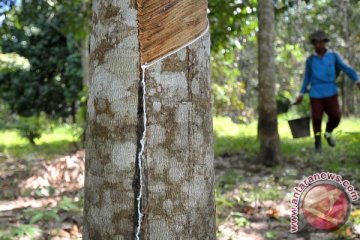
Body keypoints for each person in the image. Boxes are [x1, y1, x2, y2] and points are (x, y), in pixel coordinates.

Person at [295, 30, 360, 152]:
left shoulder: (333, 56)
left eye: (321, 42)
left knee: (336, 117)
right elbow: (307, 77)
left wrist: (357, 80)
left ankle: (328, 132)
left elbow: (346, 68)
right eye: (316, 43)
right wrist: (301, 93)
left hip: (331, 92)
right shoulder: (310, 60)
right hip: (316, 93)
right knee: (316, 119)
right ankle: (317, 143)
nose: (319, 45)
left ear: (325, 43)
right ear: (313, 44)